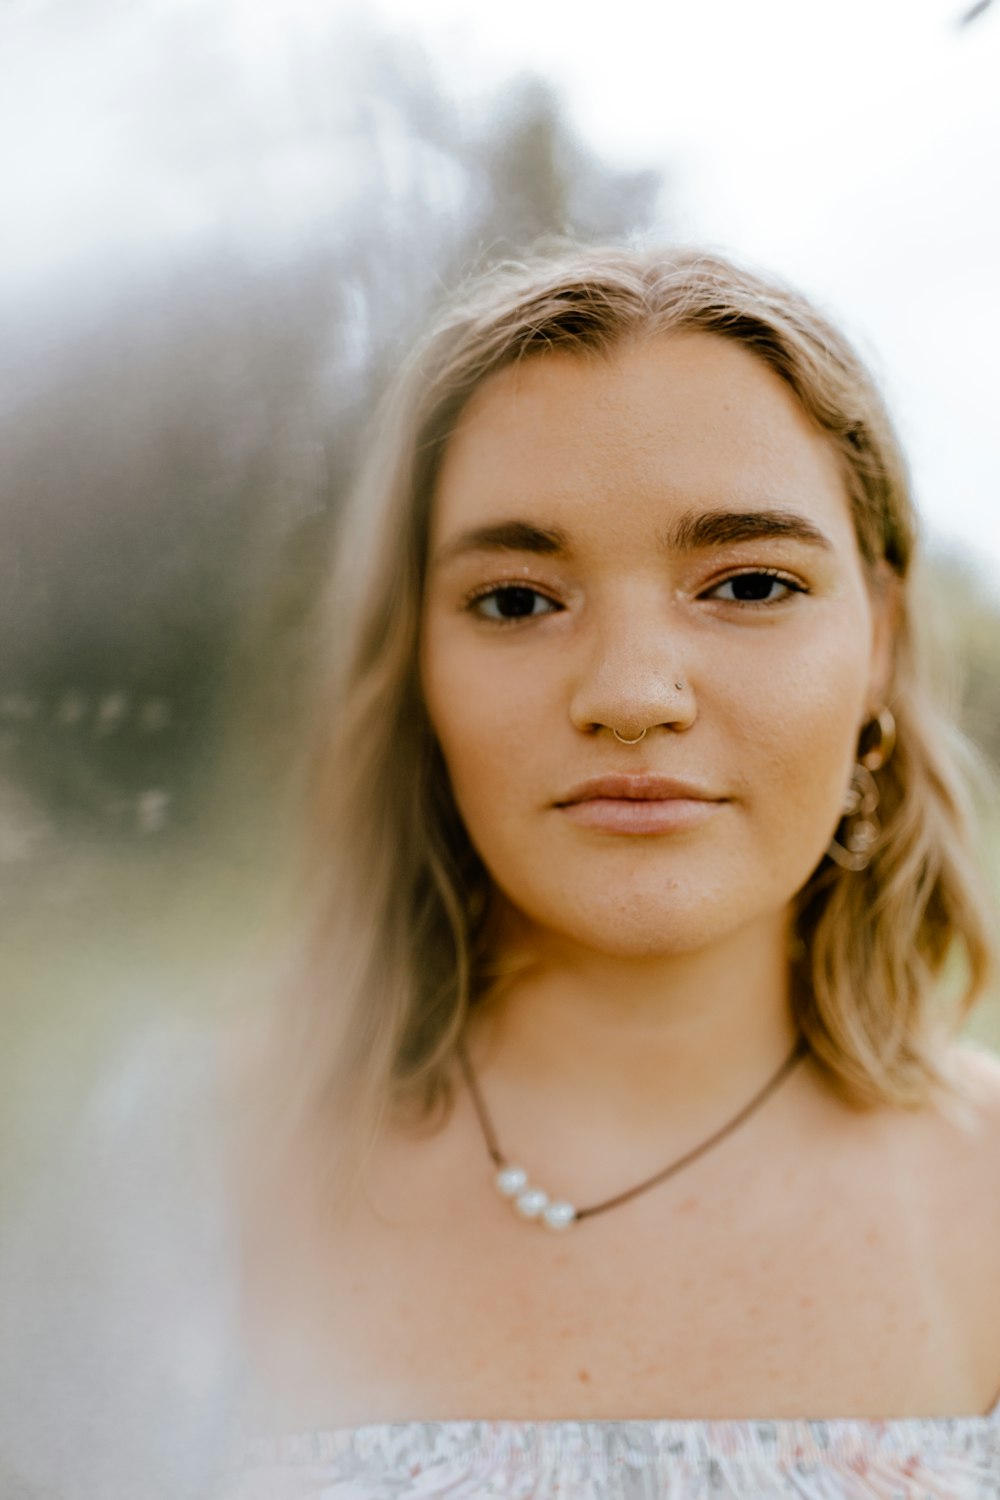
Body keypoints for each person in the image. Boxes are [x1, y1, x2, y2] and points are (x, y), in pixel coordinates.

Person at [218, 244, 1000, 1497]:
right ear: (415, 663)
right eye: (518, 601)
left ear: (878, 646)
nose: (632, 697)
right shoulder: (188, 1176)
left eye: (749, 583)